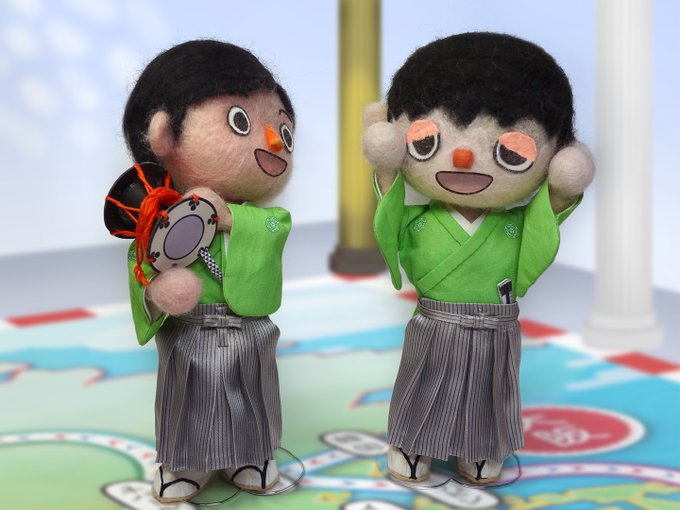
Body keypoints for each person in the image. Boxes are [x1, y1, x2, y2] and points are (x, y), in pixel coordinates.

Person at [362, 32, 594, 484]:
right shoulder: (420, 221)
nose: (465, 157)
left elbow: (544, 225)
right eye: (428, 141)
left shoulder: (516, 225)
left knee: (489, 391)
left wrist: (563, 189)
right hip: (435, 322)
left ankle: (482, 447)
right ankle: (412, 442)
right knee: (423, 381)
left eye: (510, 151)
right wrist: (386, 167)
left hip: (495, 326)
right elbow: (390, 213)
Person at [121, 40, 295, 503]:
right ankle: (184, 461)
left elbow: (275, 228)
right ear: (163, 135)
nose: (274, 141)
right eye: (240, 121)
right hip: (190, 328)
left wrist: (231, 217)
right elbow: (141, 265)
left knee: (253, 389)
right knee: (187, 396)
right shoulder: (158, 218)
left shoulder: (264, 218)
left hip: (249, 325)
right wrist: (159, 292)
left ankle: (252, 454)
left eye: (283, 129)